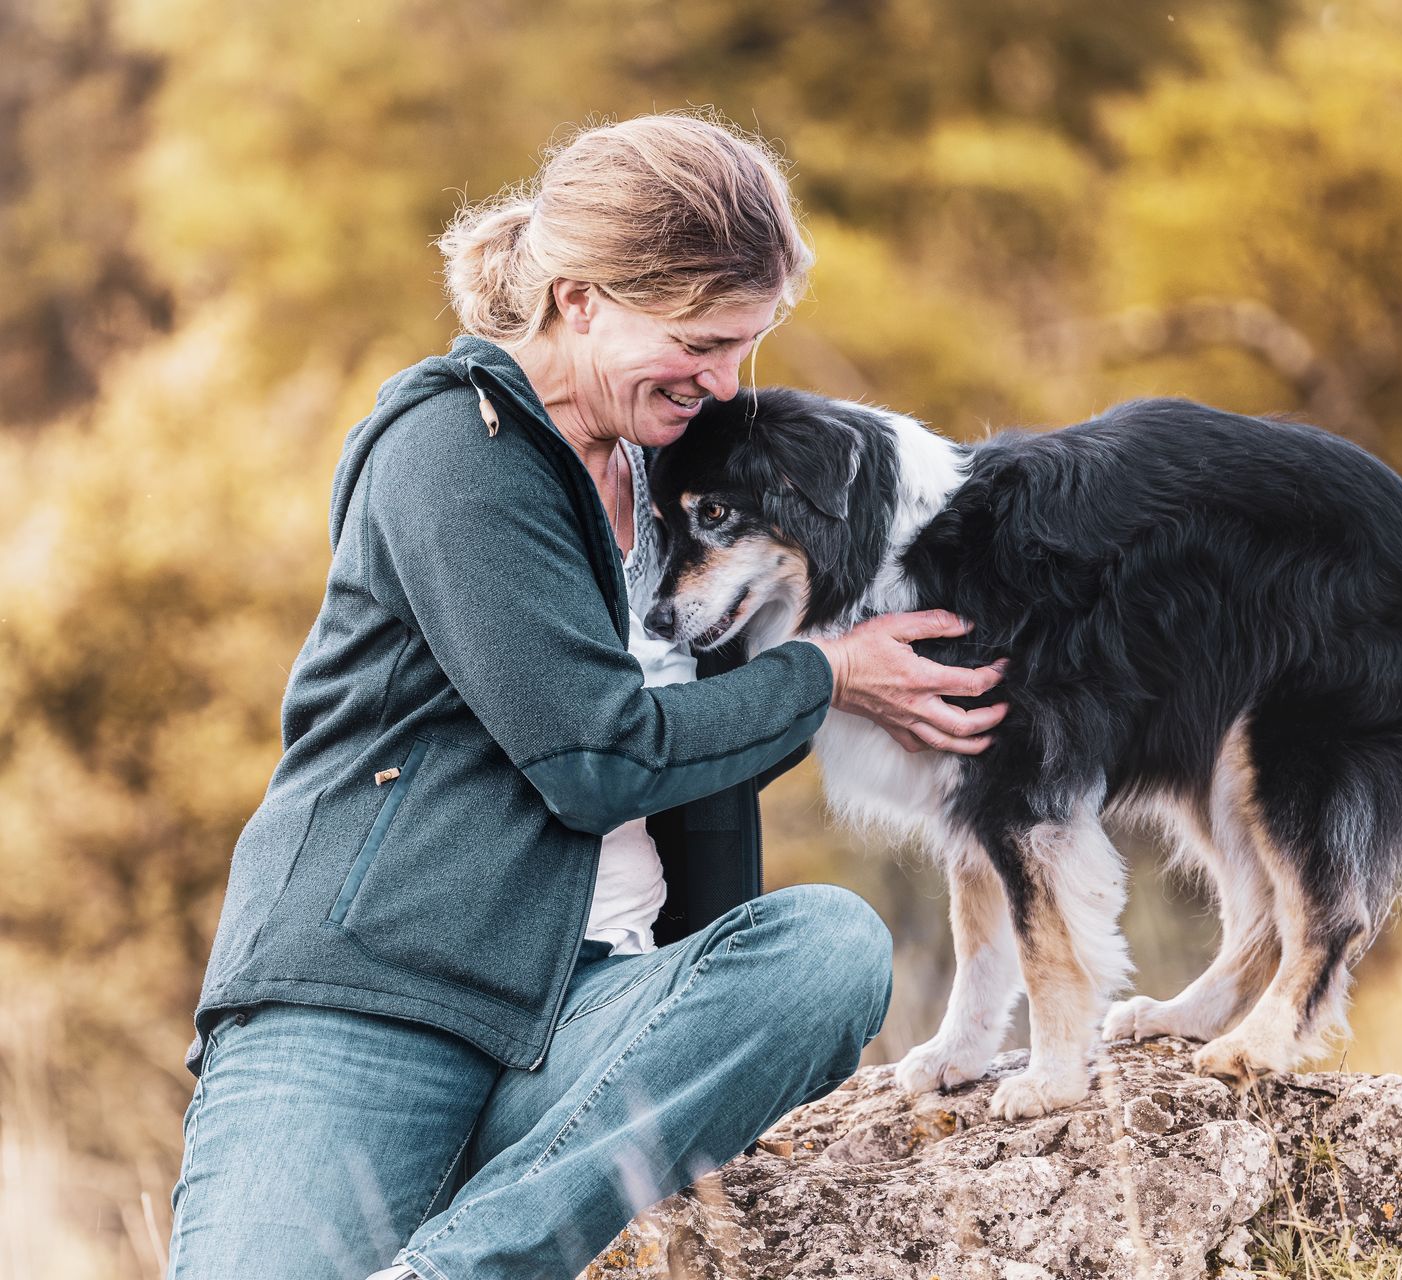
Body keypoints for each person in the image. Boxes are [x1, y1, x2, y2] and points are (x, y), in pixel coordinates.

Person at [165, 113, 1006, 1280]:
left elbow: (848, 552)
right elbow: (597, 757)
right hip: (369, 1005)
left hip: (604, 1012)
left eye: (745, 348)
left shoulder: (691, 476)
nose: (724, 382)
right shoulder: (452, 449)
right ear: (579, 301)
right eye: (701, 341)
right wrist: (825, 676)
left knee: (827, 947)